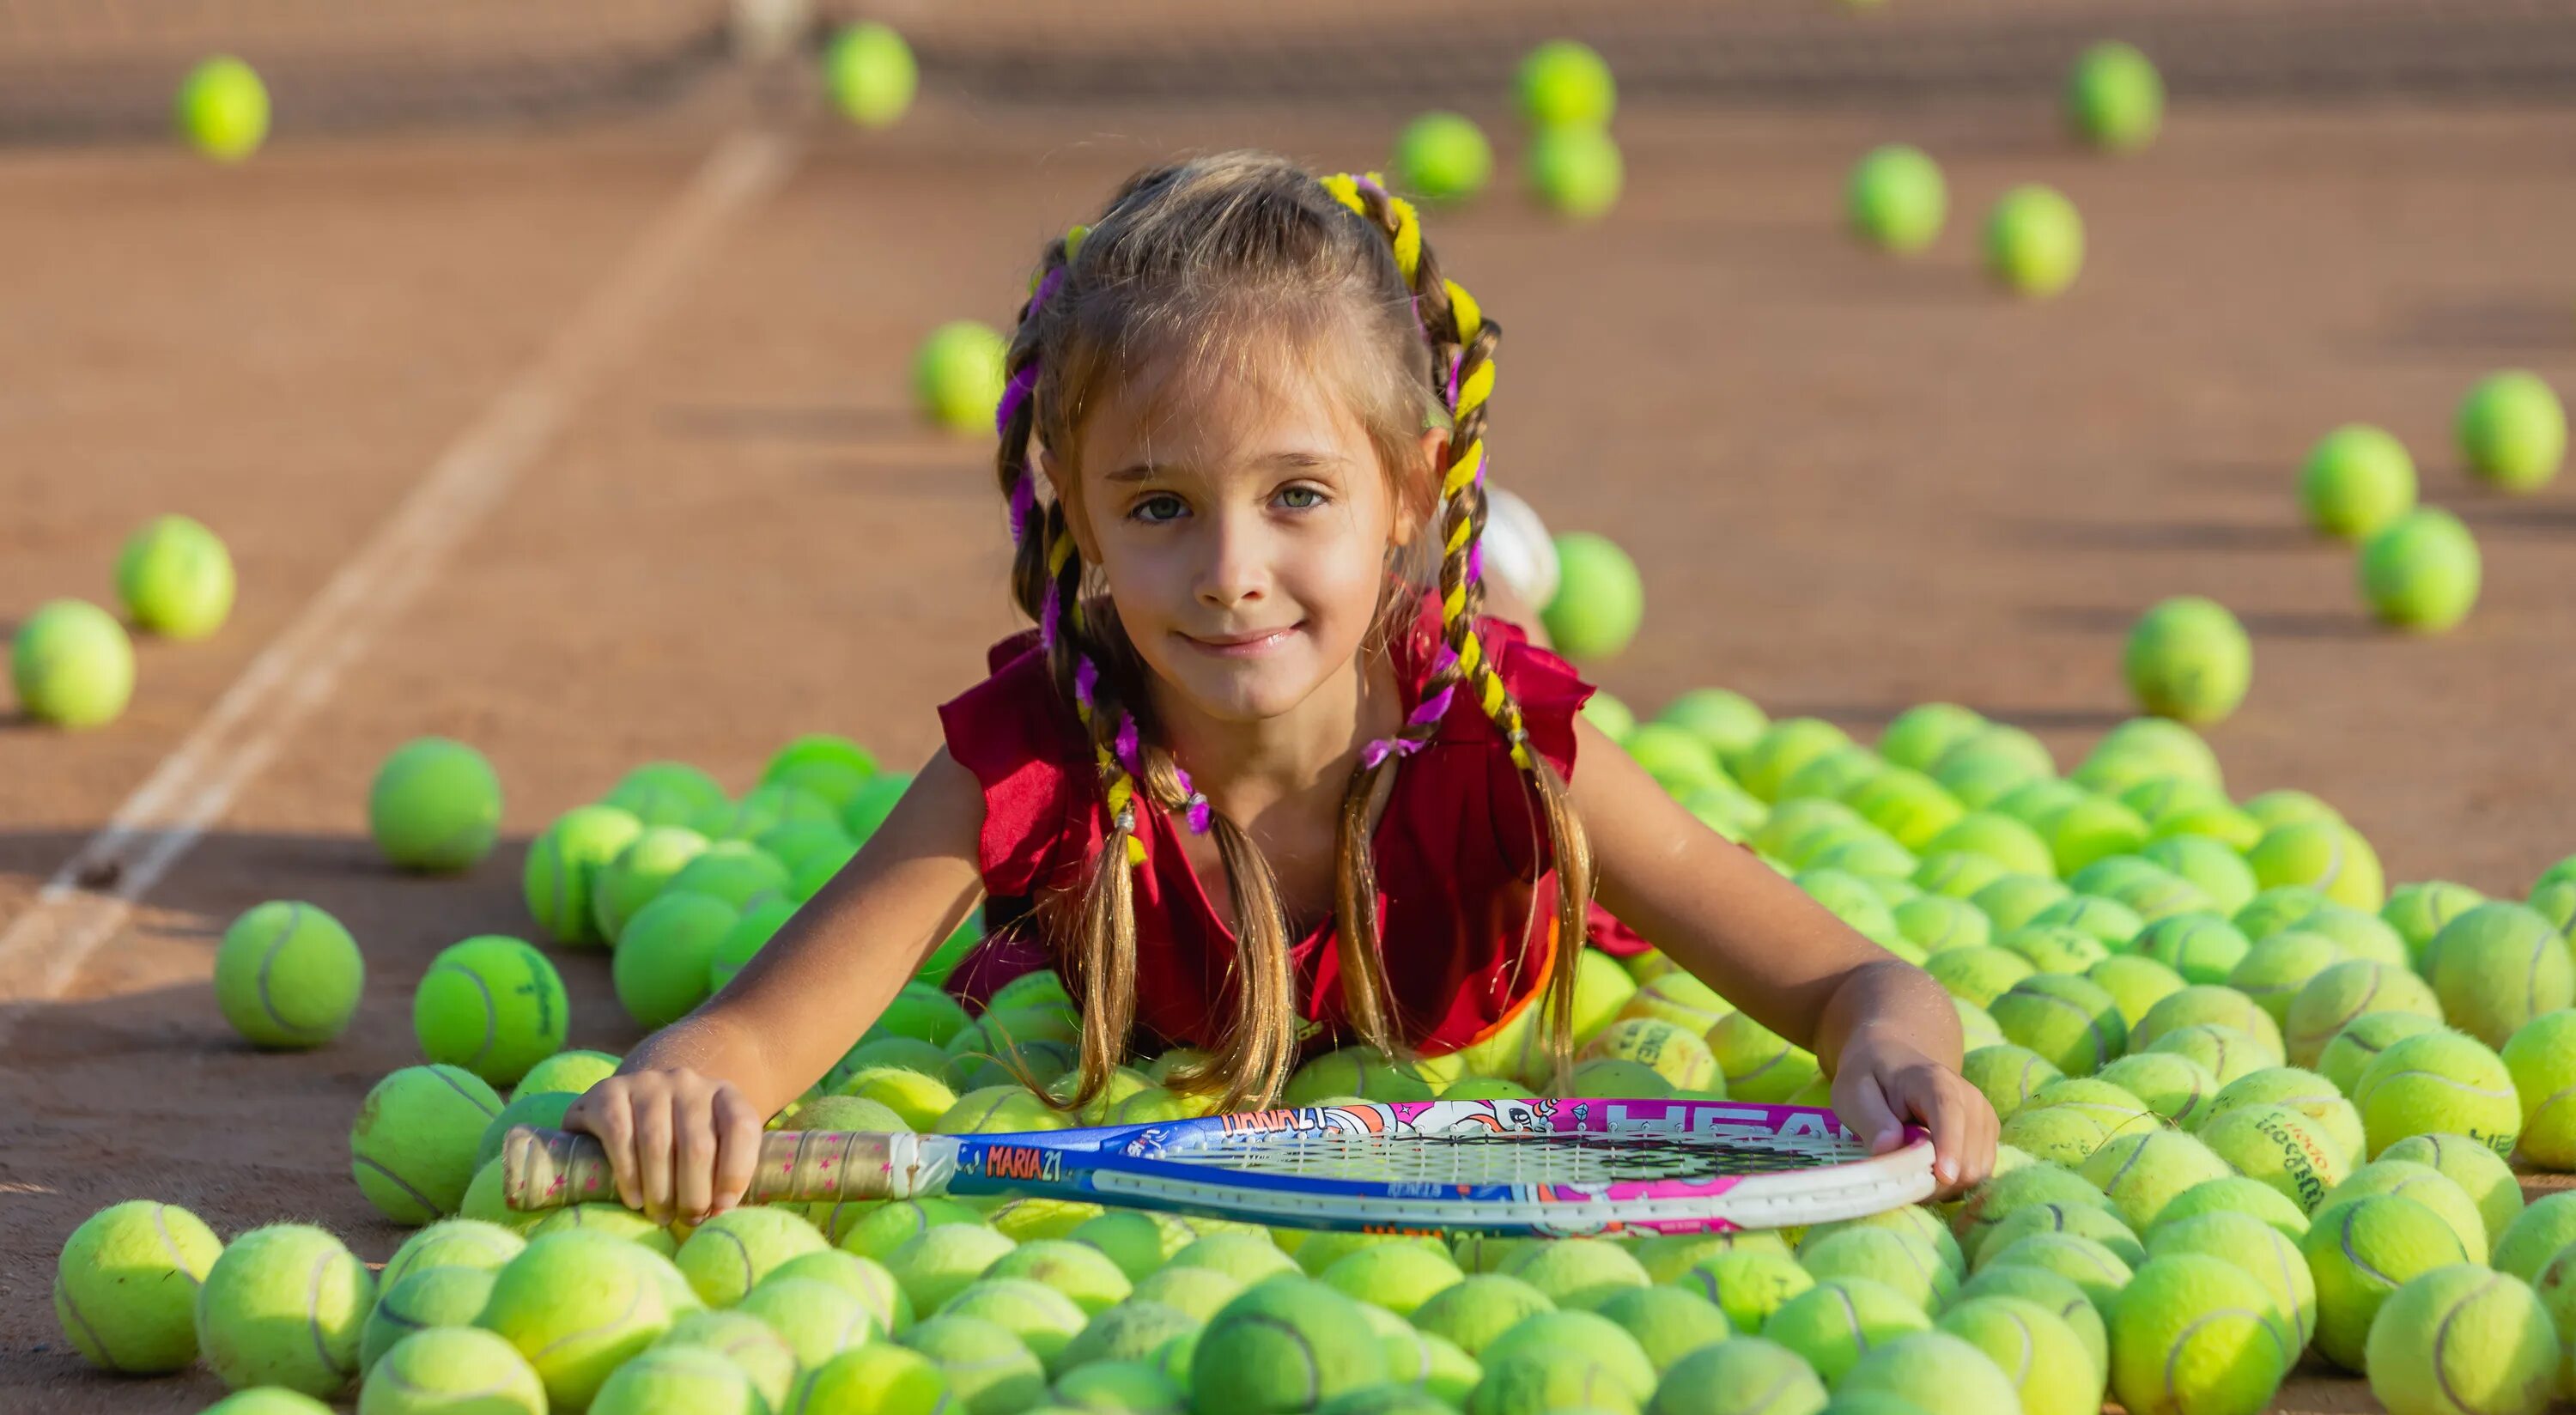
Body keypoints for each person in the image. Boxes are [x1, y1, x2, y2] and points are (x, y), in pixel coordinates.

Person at [569, 151, 1995, 1224]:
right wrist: (695, 1084)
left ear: (1403, 491)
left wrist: (1890, 1050)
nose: (1230, 573)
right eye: (1160, 507)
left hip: (1426, 643)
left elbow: (1855, 981)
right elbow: (760, 1031)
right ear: (1072, 507)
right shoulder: (1041, 756)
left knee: (1448, 630)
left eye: (1297, 492)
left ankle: (1467, 564)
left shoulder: (1503, 747)